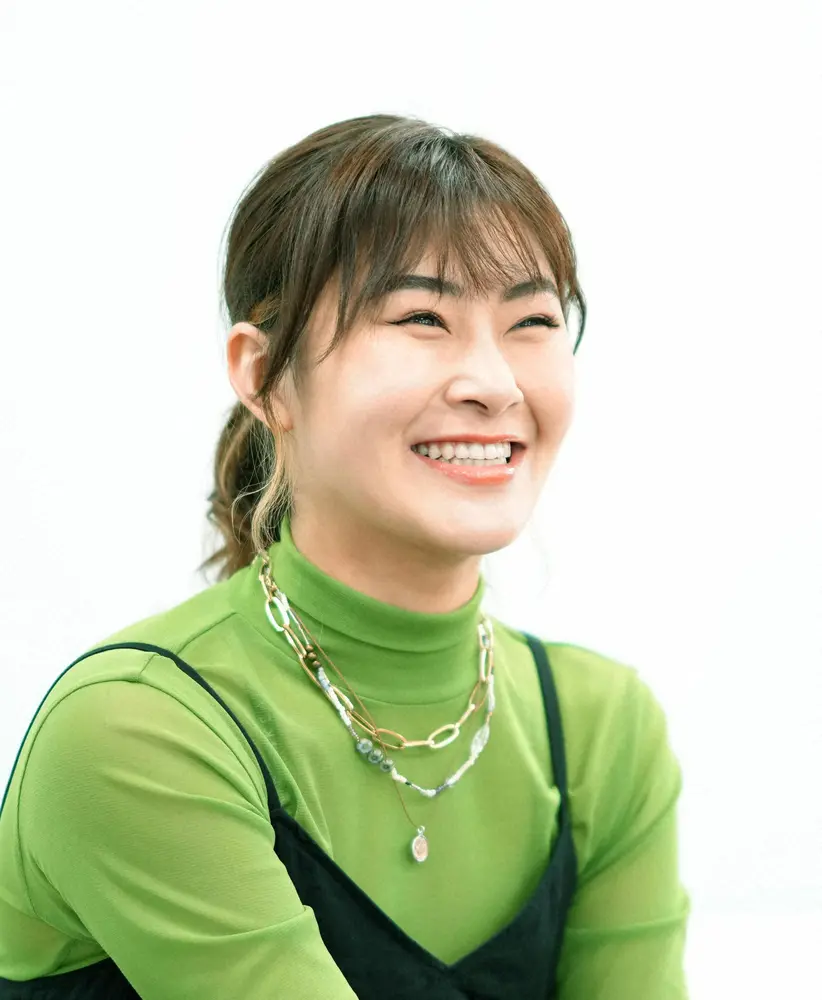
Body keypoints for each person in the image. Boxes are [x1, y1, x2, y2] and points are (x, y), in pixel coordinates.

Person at [0, 114, 691, 998]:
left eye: (532, 320)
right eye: (421, 317)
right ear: (263, 375)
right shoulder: (137, 730)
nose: (494, 383)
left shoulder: (602, 728)